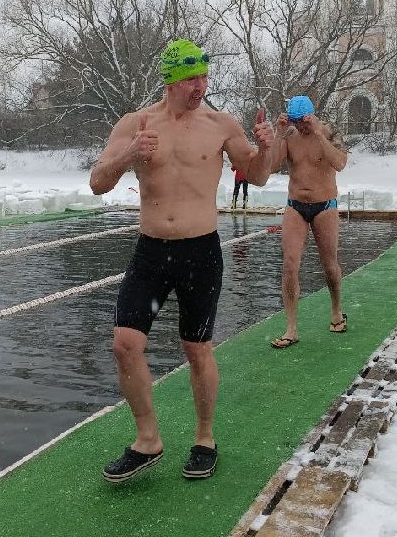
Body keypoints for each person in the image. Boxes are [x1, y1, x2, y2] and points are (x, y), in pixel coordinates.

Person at [89, 38, 275, 483]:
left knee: (196, 348)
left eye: (204, 77)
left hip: (200, 251)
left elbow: (257, 175)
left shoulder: (220, 124)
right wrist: (129, 155)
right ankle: (148, 440)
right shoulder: (135, 124)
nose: (201, 86)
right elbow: (97, 182)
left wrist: (267, 148)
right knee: (124, 344)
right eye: (192, 78)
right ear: (171, 81)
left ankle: (205, 438)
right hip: (151, 250)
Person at [267, 95, 350, 349]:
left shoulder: (329, 131)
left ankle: (336, 310)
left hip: (325, 206)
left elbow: (340, 163)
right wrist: (279, 133)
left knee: (329, 265)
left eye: (303, 122)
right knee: (289, 264)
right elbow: (271, 166)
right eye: (296, 122)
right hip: (296, 206)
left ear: (311, 116)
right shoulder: (289, 134)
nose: (300, 127)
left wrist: (318, 134)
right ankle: (291, 328)